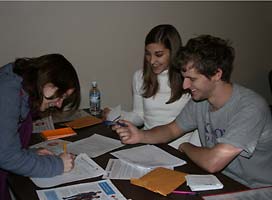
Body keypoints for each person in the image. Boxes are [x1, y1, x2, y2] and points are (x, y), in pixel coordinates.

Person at [113, 35, 272, 188]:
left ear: (217, 74)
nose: (185, 86)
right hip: (219, 182)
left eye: (192, 79)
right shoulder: (201, 101)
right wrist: (140, 136)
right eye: (184, 78)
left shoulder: (251, 107)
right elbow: (172, 129)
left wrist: (185, 146)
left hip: (257, 189)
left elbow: (213, 162)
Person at [0, 53, 81, 200]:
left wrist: (29, 154)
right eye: (61, 95)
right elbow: (6, 156)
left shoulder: (20, 89)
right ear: (48, 81)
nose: (59, 104)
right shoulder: (7, 92)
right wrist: (58, 165)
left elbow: (5, 143)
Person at [105, 24, 200, 146]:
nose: (151, 61)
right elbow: (139, 116)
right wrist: (116, 116)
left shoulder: (188, 79)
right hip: (148, 143)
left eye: (159, 54)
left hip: (181, 149)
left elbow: (199, 124)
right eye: (148, 54)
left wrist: (188, 151)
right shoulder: (139, 77)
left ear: (173, 52)